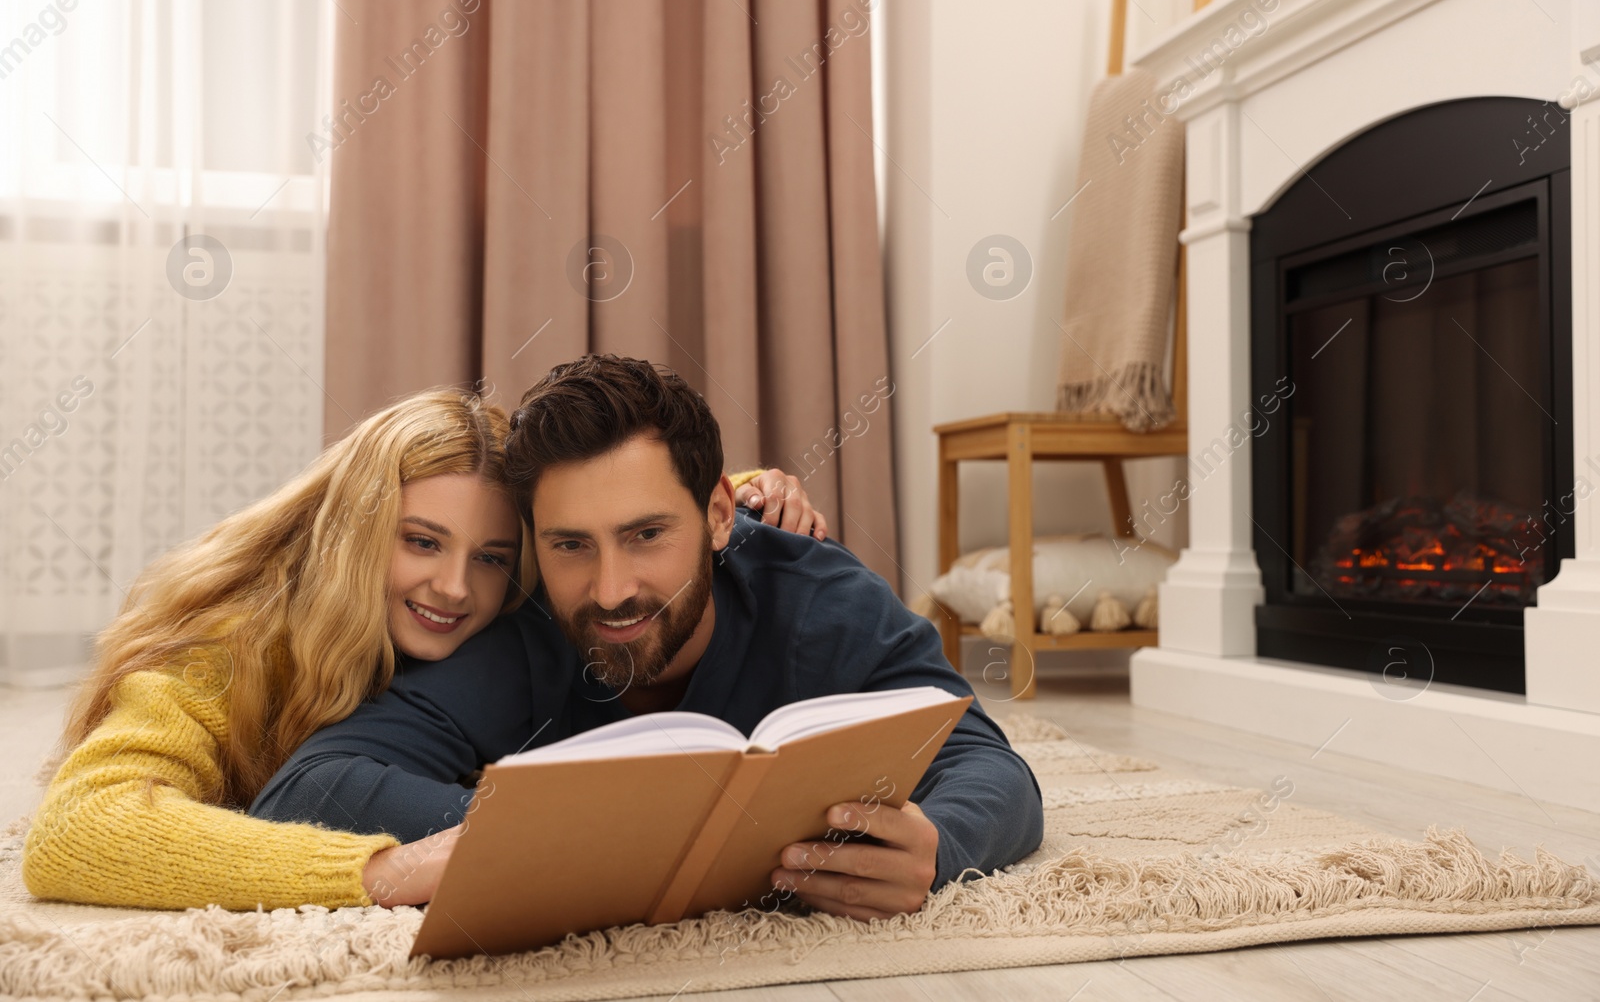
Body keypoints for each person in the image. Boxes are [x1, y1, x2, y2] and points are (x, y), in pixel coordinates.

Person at [253, 356, 1044, 920]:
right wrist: (557, 829)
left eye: (645, 534)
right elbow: (310, 784)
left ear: (720, 514)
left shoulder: (821, 598)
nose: (609, 588)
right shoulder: (526, 630)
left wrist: (939, 847)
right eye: (571, 545)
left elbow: (988, 761)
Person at [21, 386, 819, 911]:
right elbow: (78, 827)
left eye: (492, 556)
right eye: (420, 541)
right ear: (355, 533)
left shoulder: (515, 611)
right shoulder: (228, 645)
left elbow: (613, 519)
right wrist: (376, 872)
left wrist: (744, 488)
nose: (455, 588)